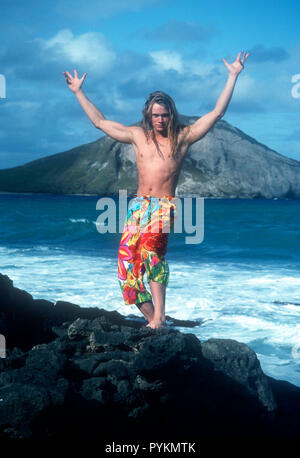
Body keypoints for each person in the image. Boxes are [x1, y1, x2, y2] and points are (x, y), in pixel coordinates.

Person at [63, 51, 249, 329]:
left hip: (163, 206)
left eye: (164, 115)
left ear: (171, 114)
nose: (160, 119)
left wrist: (232, 76)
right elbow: (100, 123)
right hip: (138, 206)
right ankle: (156, 322)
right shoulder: (138, 136)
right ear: (148, 116)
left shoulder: (183, 138)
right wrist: (79, 92)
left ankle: (160, 317)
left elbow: (216, 113)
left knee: (152, 255)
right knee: (126, 271)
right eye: (155, 115)